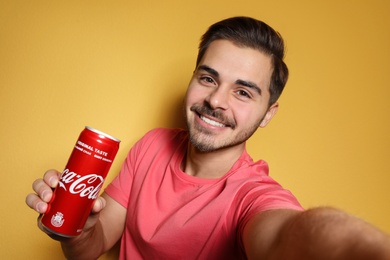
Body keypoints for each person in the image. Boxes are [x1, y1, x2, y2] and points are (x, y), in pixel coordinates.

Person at [26, 16, 390, 259]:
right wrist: (74, 229)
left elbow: (289, 234)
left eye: (243, 92)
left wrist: (366, 249)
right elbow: (95, 243)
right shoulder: (151, 145)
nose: (215, 100)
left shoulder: (253, 196)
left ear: (268, 114)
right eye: (208, 78)